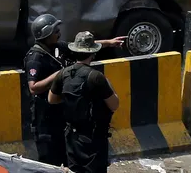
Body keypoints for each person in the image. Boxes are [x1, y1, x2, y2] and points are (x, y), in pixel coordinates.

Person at [24, 15, 124, 167]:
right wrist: (60, 74)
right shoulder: (35, 57)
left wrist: (109, 43)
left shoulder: (56, 47)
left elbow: (82, 46)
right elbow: (33, 87)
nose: (59, 33)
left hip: (60, 115)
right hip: (45, 120)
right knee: (50, 162)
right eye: (55, 31)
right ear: (46, 35)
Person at [48, 31, 120, 173]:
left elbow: (52, 99)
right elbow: (114, 105)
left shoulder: (64, 74)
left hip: (72, 137)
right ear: (93, 53)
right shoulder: (96, 77)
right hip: (93, 137)